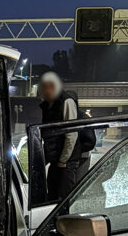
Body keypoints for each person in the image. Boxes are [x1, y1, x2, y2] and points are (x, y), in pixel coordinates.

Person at [38, 72, 93, 201]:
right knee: (51, 195)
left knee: (64, 198)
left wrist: (64, 160)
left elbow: (71, 134)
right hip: (56, 158)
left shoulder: (66, 101)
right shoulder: (47, 104)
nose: (45, 91)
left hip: (66, 161)